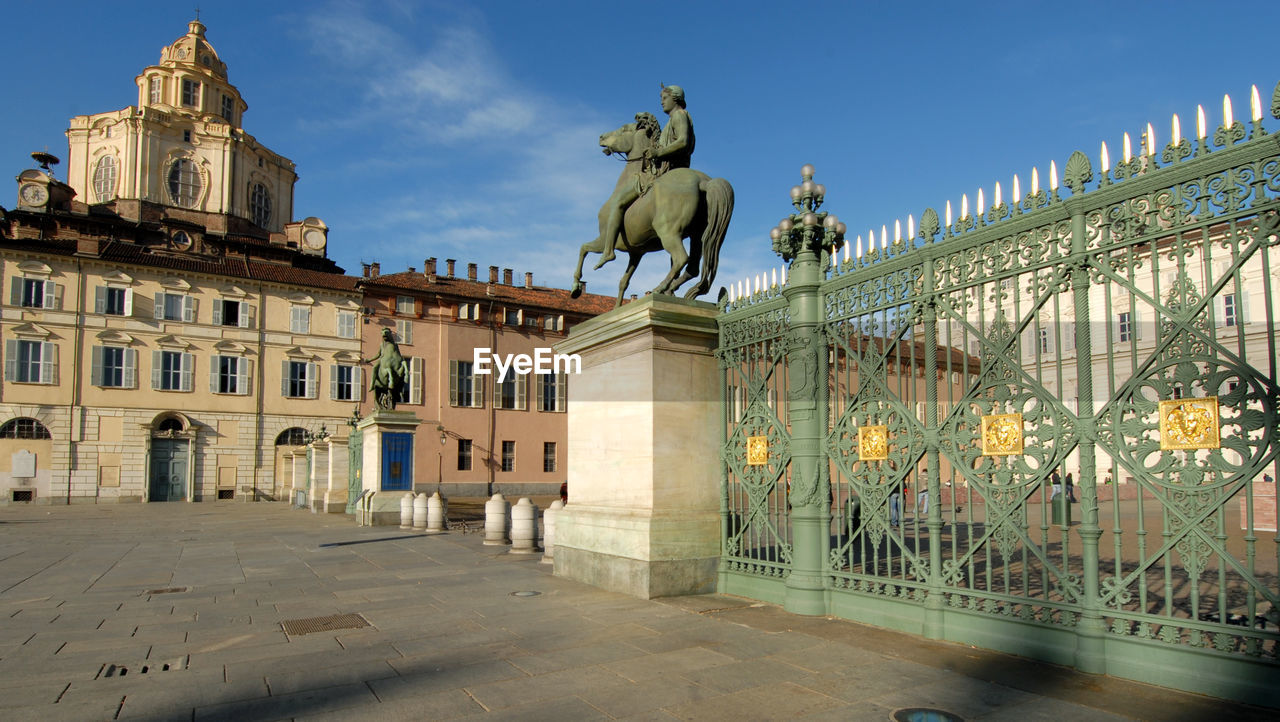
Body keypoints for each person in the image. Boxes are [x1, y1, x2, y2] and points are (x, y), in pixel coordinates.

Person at [595, 84, 695, 268]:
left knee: (618, 202)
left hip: (663, 173)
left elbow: (682, 141)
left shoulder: (679, 116)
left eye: (665, 98)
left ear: (675, 98)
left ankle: (608, 250)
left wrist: (658, 154)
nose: (662, 101)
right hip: (667, 170)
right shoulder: (673, 120)